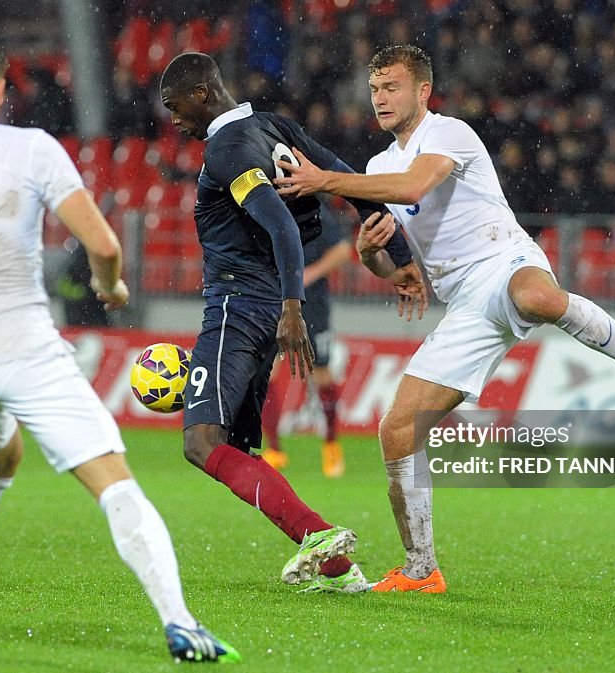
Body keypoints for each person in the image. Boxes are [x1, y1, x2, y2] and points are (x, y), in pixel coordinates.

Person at [0, 33, 238, 663]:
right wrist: (110, 285)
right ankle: (183, 625)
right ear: (1, 90)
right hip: (22, 344)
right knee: (114, 481)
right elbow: (104, 246)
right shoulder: (29, 147)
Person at [274, 44, 615, 593]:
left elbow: (413, 188)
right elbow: (390, 253)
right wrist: (376, 257)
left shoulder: (450, 134)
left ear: (422, 91)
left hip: (505, 258)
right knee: (396, 431)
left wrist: (323, 181)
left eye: (391, 87)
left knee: (537, 298)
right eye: (374, 89)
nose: (380, 98)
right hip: (464, 304)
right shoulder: (377, 167)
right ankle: (421, 570)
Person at [159, 52, 424, 594]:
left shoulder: (228, 149)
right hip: (259, 313)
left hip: (239, 307)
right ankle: (336, 569)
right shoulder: (272, 127)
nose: (174, 118)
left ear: (203, 93)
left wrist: (292, 306)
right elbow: (348, 182)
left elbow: (279, 224)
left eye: (175, 105)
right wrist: (398, 255)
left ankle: (318, 535)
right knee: (234, 449)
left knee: (201, 444)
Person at [262, 203, 352, 478]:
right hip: (272, 302)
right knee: (264, 375)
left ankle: (331, 444)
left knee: (321, 375)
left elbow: (343, 250)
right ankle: (275, 450)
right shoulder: (261, 205)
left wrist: (310, 273)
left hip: (311, 305)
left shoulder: (314, 210)